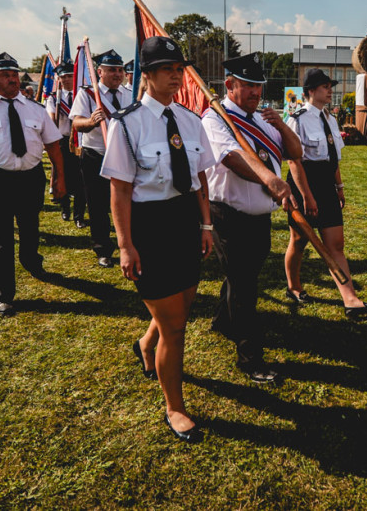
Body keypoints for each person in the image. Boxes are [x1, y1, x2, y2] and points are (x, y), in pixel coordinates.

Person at [102, 36, 216, 443]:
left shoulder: (190, 119)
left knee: (181, 306)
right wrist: (125, 244)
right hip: (148, 225)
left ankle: (145, 345)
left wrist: (205, 224)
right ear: (145, 76)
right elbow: (118, 189)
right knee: (177, 326)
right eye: (166, 69)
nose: (175, 75)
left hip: (185, 220)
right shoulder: (127, 124)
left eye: (178, 68)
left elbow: (201, 176)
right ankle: (175, 407)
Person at [202, 52, 301, 383]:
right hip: (228, 215)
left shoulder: (260, 120)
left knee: (243, 276)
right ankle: (250, 357)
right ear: (229, 85)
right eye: (248, 87)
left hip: (259, 218)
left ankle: (222, 320)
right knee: (245, 286)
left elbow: (295, 153)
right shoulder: (215, 118)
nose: (256, 94)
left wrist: (281, 124)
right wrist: (270, 180)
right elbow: (231, 158)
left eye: (259, 87)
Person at [0, 53, 66, 317]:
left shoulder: (36, 109)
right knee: (1, 237)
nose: (13, 79)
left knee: (30, 227)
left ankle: (31, 260)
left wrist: (60, 176)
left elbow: (52, 144)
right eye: (6, 76)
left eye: (15, 75)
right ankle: (3, 295)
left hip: (30, 178)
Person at [283, 68, 367, 320]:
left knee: (336, 244)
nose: (330, 90)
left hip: (326, 186)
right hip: (304, 185)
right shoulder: (297, 118)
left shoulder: (331, 118)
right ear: (310, 91)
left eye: (330, 86)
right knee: (299, 241)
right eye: (325, 86)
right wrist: (306, 196)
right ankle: (294, 288)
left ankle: (351, 301)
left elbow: (333, 157)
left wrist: (339, 187)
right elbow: (295, 162)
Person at [70, 50, 126, 268]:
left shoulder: (128, 94)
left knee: (128, 202)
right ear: (99, 72)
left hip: (123, 155)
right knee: (98, 205)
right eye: (112, 70)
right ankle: (103, 249)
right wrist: (92, 121)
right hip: (96, 155)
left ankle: (129, 243)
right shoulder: (88, 94)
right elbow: (76, 123)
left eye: (120, 70)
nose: (117, 74)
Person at [45, 62, 87, 227]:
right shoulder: (53, 98)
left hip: (80, 140)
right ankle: (65, 208)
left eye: (70, 75)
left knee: (81, 180)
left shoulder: (82, 96)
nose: (67, 79)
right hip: (62, 141)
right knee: (62, 175)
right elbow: (50, 119)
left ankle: (79, 216)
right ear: (59, 78)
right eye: (63, 76)